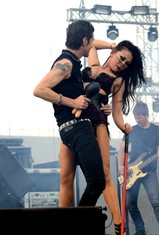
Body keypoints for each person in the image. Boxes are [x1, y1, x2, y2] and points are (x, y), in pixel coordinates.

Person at [59, 39, 146, 235]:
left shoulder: (119, 81)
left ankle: (119, 227)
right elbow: (92, 45)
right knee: (66, 176)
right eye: (121, 58)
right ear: (114, 52)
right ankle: (60, 225)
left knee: (105, 174)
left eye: (127, 64)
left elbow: (116, 112)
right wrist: (112, 44)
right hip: (74, 119)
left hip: (97, 120)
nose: (122, 64)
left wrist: (123, 125)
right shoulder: (94, 60)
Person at [33, 20, 106, 206]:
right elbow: (40, 89)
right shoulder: (66, 63)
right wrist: (72, 102)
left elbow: (71, 90)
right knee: (97, 182)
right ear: (84, 41)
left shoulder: (72, 64)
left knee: (87, 181)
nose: (92, 44)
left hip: (74, 130)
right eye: (91, 40)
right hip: (77, 129)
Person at [118, 101, 159, 235]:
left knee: (155, 201)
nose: (137, 119)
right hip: (132, 172)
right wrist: (120, 166)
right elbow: (122, 148)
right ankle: (140, 230)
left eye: (140, 117)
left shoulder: (158, 130)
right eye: (136, 117)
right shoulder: (132, 130)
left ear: (147, 115)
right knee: (130, 203)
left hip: (149, 172)